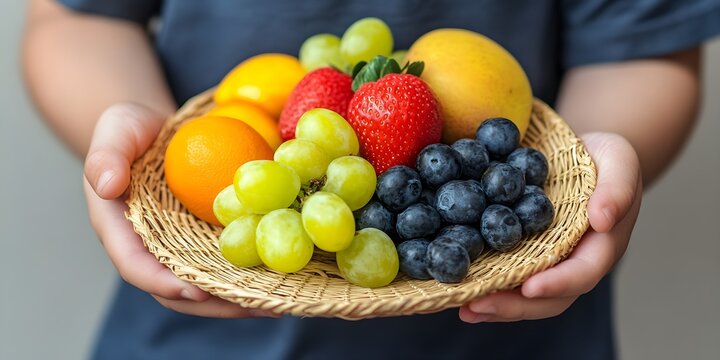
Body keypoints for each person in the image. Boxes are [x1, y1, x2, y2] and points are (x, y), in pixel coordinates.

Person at [22, 0, 720, 359]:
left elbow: (645, 49)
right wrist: (134, 142)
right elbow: (72, 20)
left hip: (513, 317)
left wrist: (583, 178)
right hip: (192, 329)